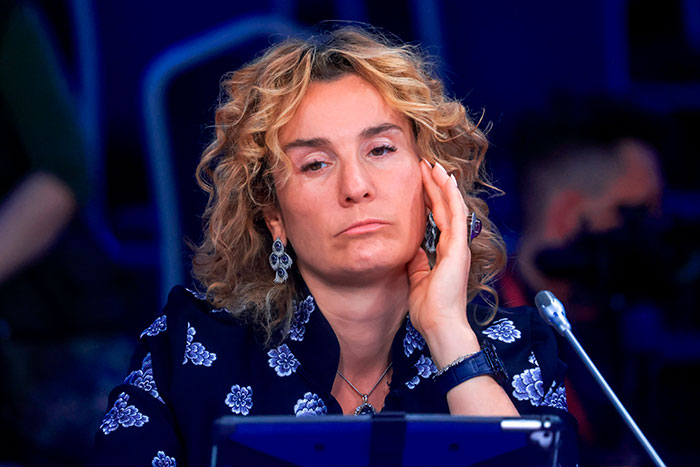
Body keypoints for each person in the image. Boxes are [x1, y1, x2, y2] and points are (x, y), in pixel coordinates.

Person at [92, 26, 574, 466]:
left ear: (432, 180)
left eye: (380, 150)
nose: (356, 187)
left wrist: (449, 335)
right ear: (273, 214)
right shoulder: (187, 349)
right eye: (316, 164)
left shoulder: (517, 348)